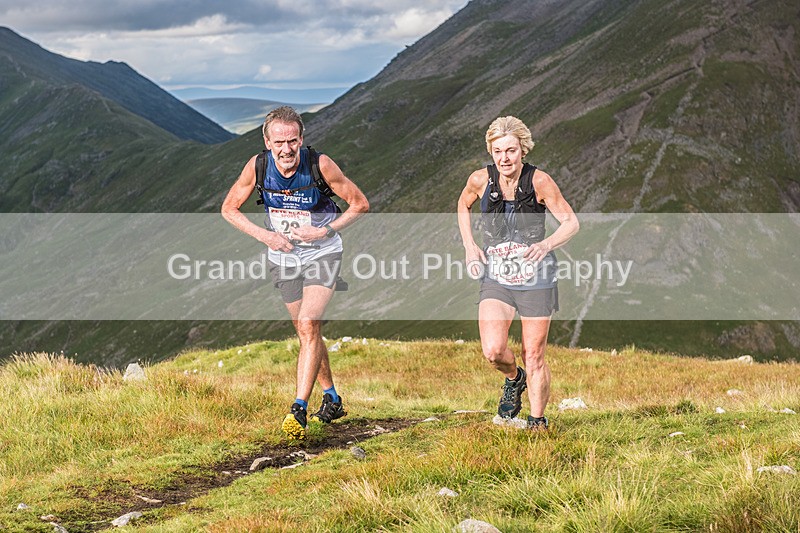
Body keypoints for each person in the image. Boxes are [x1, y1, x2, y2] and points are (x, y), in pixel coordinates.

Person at [221, 106, 369, 440]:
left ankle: (299, 407)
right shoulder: (258, 167)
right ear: (267, 141)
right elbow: (228, 209)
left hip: (323, 253)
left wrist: (326, 231)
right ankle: (331, 397)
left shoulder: (320, 165)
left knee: (308, 324)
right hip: (283, 257)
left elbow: (360, 204)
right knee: (306, 333)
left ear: (301, 139)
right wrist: (265, 236)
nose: (286, 149)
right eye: (279, 142)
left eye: (292, 141)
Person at [457, 116, 579, 430]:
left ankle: (537, 421)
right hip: (497, 275)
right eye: (498, 151)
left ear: (522, 150)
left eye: (510, 150)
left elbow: (571, 222)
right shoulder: (480, 180)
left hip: (536, 277)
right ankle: (514, 378)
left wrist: (547, 244)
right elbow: (463, 204)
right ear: (491, 151)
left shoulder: (539, 181)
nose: (504, 158)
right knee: (494, 350)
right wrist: (470, 246)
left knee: (533, 352)